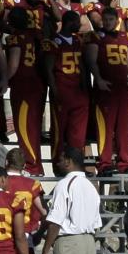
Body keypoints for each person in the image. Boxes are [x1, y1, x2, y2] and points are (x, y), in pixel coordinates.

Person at [87, 10, 128, 174]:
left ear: (117, 20)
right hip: (106, 88)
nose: (108, 22)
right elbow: (91, 61)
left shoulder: (125, 37)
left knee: (125, 128)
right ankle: (104, 162)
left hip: (122, 88)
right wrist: (98, 79)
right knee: (105, 128)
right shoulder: (95, 36)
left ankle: (125, 163)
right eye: (105, 19)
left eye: (111, 19)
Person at [0, 5, 46, 175]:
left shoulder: (15, 39)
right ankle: (37, 165)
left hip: (23, 85)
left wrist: (4, 79)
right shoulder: (35, 36)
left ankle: (31, 165)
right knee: (34, 127)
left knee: (24, 127)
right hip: (37, 83)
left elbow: (13, 64)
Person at [41, 11, 90, 162]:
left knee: (78, 131)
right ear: (69, 22)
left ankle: (76, 161)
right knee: (59, 129)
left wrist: (84, 86)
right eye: (76, 22)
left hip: (77, 90)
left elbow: (81, 65)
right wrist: (54, 89)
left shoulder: (77, 40)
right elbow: (48, 68)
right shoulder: (54, 41)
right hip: (62, 88)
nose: (79, 25)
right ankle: (58, 162)